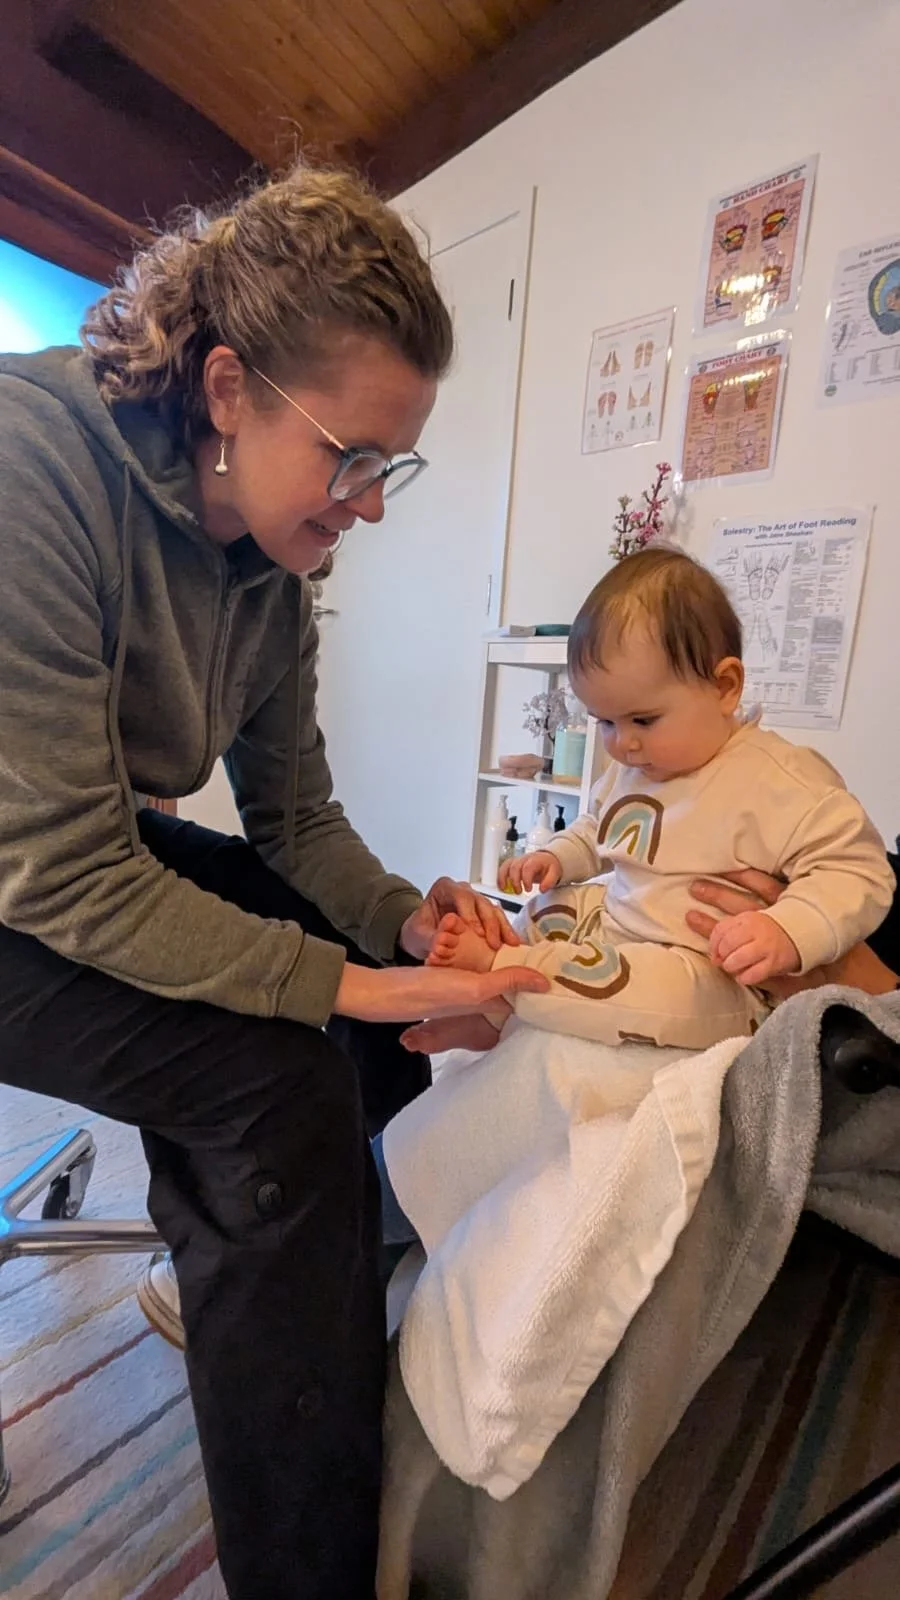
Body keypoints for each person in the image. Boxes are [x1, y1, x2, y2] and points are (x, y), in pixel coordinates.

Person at [0, 163, 550, 1600]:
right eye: (351, 455)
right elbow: (64, 870)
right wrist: (363, 978)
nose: (369, 503)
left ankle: (255, 1294)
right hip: (28, 866)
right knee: (275, 1082)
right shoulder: (29, 461)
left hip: (60, 854)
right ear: (231, 387)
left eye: (394, 466)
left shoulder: (270, 559)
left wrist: (404, 926)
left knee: (336, 1001)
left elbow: (294, 813)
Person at [403, 548, 894, 1056]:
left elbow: (859, 871)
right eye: (605, 722)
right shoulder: (636, 766)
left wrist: (787, 929)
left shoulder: (778, 779)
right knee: (553, 906)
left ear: (725, 687)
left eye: (643, 720)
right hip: (620, 920)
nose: (622, 743)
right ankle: (494, 1008)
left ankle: (501, 978)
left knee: (661, 991)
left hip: (706, 967)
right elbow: (598, 828)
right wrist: (557, 858)